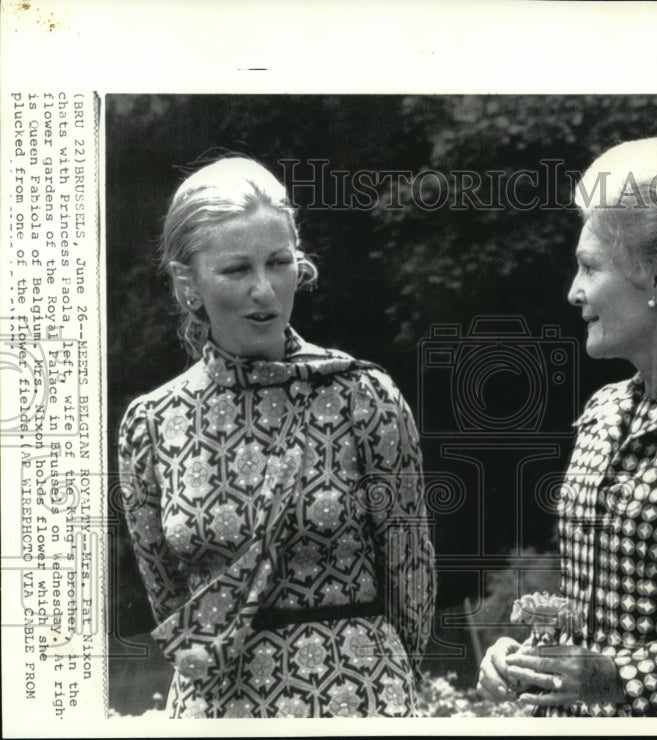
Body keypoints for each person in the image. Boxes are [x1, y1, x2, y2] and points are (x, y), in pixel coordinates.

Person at [117, 156, 436, 718]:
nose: (263, 289)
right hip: (217, 705)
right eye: (237, 270)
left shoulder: (364, 397)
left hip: (358, 697)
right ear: (188, 285)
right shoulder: (151, 423)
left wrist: (384, 688)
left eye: (279, 262)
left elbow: (411, 578)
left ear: (300, 267)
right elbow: (167, 596)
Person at [477, 137, 657, 716]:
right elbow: (590, 606)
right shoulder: (603, 411)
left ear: (654, 274)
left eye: (589, 267)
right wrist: (524, 657)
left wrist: (611, 677)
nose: (573, 292)